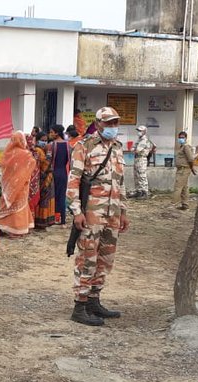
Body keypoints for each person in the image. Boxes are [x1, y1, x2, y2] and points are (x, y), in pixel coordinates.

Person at [67, 106, 130, 326]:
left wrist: (123, 212)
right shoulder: (85, 146)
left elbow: (120, 183)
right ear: (98, 123)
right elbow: (73, 181)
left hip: (112, 213)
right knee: (87, 258)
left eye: (115, 122)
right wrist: (76, 211)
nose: (113, 126)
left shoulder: (118, 147)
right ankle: (80, 305)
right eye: (109, 122)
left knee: (105, 258)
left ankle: (94, 300)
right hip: (91, 212)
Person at [0, 131, 36, 238]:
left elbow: (4, 167)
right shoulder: (25, 154)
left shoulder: (7, 152)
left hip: (8, 184)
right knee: (18, 204)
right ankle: (16, 229)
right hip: (21, 183)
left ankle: (3, 226)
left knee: (8, 203)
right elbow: (32, 163)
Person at [33, 131, 56, 230]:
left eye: (46, 140)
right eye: (42, 140)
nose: (44, 142)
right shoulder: (37, 150)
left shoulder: (43, 150)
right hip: (42, 178)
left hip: (47, 177)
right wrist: (48, 158)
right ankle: (40, 220)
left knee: (46, 199)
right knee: (42, 199)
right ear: (37, 140)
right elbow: (41, 165)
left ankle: (44, 219)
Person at [49, 124, 71, 226]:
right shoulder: (68, 145)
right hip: (63, 172)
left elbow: (48, 161)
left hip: (53, 172)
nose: (50, 134)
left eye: (52, 132)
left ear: (56, 133)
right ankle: (62, 219)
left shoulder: (51, 145)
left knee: (53, 195)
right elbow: (70, 161)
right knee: (62, 196)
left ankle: (53, 217)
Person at [172, 131, 197, 210]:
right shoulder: (181, 147)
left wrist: (192, 168)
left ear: (186, 138)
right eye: (180, 137)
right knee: (184, 188)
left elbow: (190, 159)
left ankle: (173, 204)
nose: (181, 139)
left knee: (178, 187)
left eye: (182, 137)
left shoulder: (186, 147)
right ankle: (185, 205)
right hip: (181, 169)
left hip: (183, 169)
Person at [132, 125, 154, 199]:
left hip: (141, 158)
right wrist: (134, 149)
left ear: (144, 132)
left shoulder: (144, 140)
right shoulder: (139, 140)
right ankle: (139, 191)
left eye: (140, 131)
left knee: (142, 175)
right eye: (138, 130)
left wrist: (134, 149)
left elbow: (137, 150)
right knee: (136, 175)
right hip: (137, 158)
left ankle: (144, 192)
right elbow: (133, 148)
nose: (139, 132)